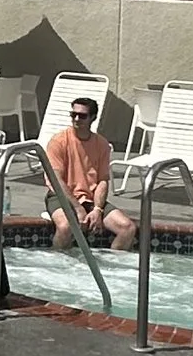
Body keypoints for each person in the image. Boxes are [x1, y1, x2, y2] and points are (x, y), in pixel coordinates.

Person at [44, 93, 135, 249]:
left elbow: (102, 181)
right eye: (73, 114)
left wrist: (98, 210)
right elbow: (56, 180)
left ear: (92, 118)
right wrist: (78, 208)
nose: (77, 119)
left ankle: (110, 269)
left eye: (82, 116)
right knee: (66, 227)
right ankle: (57, 268)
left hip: (90, 199)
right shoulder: (58, 141)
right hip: (60, 196)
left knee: (127, 228)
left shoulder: (102, 144)